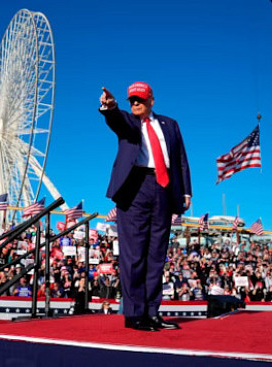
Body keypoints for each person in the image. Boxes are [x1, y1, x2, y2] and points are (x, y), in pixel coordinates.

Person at [100, 82, 192, 331]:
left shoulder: (170, 124)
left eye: (140, 99)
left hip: (163, 188)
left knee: (156, 254)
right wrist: (111, 108)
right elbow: (116, 120)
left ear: (151, 100)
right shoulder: (129, 122)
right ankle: (134, 314)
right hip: (134, 188)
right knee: (134, 255)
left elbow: (180, 158)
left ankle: (152, 312)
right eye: (132, 100)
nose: (135, 104)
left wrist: (185, 190)